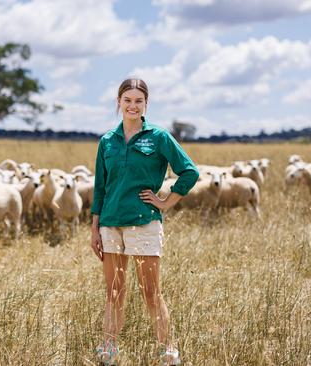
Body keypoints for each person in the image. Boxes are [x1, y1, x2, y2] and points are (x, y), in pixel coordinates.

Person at [90, 78, 199, 365]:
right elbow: (100, 187)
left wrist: (165, 201)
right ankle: (109, 348)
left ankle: (168, 349)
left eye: (139, 100)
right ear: (119, 103)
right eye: (127, 100)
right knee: (114, 291)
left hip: (144, 223)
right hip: (110, 223)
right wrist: (94, 228)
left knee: (150, 292)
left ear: (146, 104)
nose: (132, 105)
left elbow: (189, 172)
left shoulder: (159, 137)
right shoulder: (107, 142)